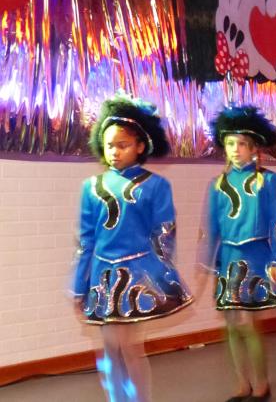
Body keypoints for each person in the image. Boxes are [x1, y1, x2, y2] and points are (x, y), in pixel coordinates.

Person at [73, 94, 192, 402]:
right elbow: (86, 240)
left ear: (141, 146)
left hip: (137, 274)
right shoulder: (92, 187)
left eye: (122, 144)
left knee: (129, 346)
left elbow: (164, 234)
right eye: (109, 145)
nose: (114, 151)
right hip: (102, 276)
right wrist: (78, 285)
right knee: (109, 346)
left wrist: (163, 276)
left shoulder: (155, 185)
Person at [204, 106, 276, 402]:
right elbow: (212, 228)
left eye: (241, 144)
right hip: (228, 260)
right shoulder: (218, 184)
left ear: (253, 148)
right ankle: (242, 385)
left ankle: (262, 385)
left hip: (257, 259)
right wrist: (212, 267)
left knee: (248, 323)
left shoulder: (268, 180)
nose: (234, 150)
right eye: (229, 144)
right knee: (230, 325)